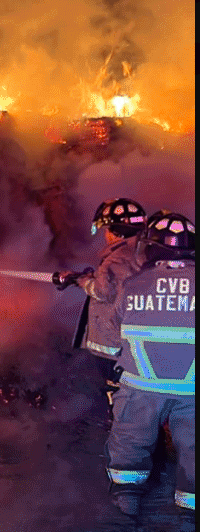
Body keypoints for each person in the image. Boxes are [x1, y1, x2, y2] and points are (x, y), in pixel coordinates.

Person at [99, 210, 195, 531]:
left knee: (130, 443)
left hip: (141, 386)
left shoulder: (134, 284)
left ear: (150, 247)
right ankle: (190, 513)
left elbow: (113, 336)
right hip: (194, 390)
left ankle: (125, 506)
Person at [55, 198, 147, 377]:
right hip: (132, 344)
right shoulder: (142, 254)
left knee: (115, 393)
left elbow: (103, 291)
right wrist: (82, 277)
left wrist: (84, 282)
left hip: (112, 348)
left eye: (106, 230)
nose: (105, 236)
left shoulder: (117, 258)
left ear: (115, 232)